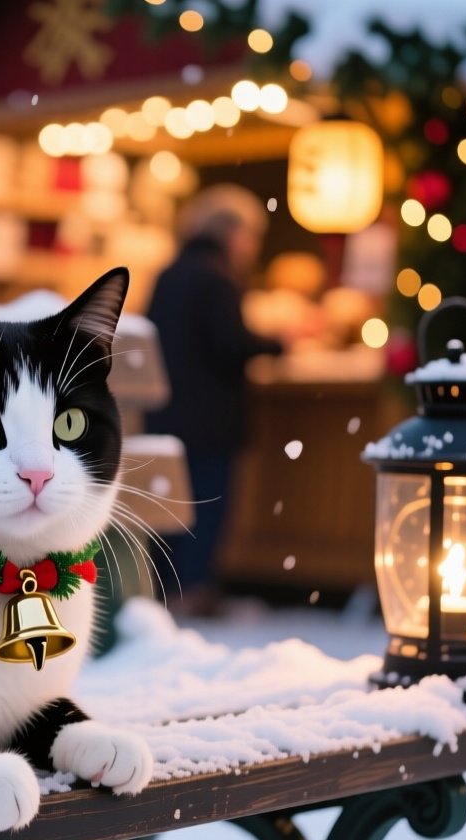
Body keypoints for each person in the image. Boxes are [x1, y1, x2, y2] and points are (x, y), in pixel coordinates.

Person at [143, 184, 284, 615]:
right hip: (210, 418)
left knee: (168, 508)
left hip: (166, 413)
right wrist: (277, 343)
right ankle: (193, 590)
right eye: (251, 236)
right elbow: (229, 343)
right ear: (233, 234)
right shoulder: (217, 277)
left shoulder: (170, 273)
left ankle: (162, 590)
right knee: (205, 506)